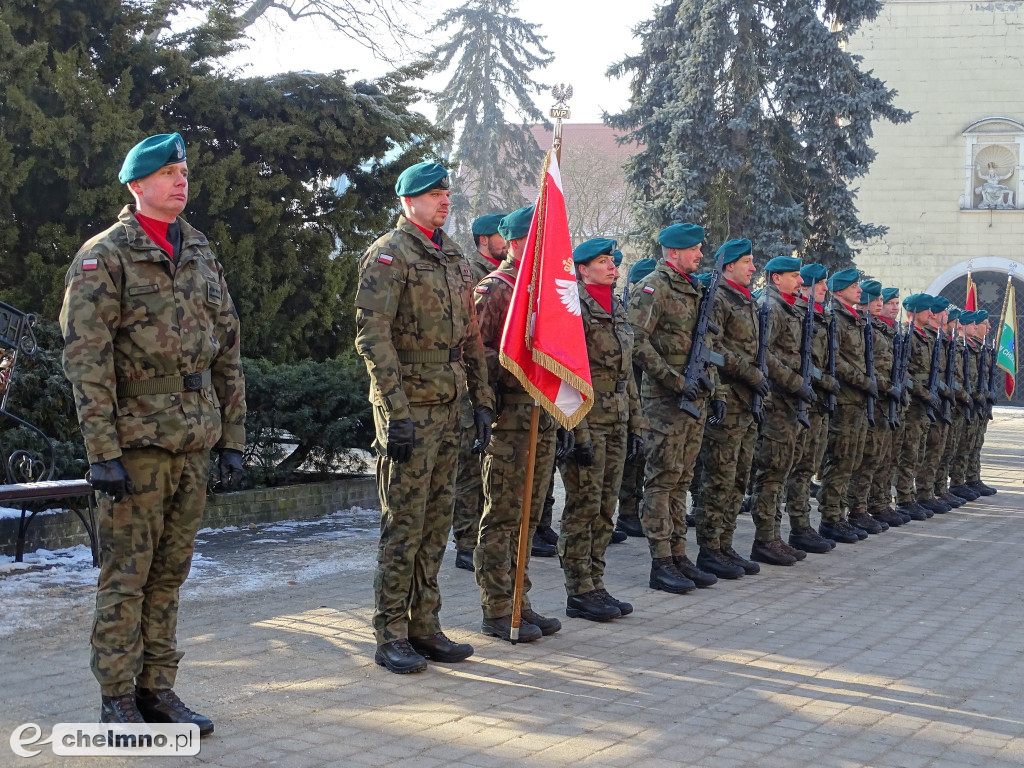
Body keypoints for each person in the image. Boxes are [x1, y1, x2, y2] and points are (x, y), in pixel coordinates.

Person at [59, 132, 247, 730]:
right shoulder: (105, 255)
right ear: (137, 185)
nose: (180, 180)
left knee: (169, 575)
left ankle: (157, 690)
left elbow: (228, 348)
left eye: (184, 170)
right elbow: (87, 360)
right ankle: (117, 697)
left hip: (192, 440)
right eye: (167, 172)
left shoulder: (199, 252)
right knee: (127, 576)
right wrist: (102, 452)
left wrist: (233, 435)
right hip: (136, 446)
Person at [354, 161, 495, 673]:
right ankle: (390, 631)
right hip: (409, 405)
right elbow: (374, 337)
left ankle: (425, 625)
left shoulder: (454, 256)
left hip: (451, 404)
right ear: (407, 201)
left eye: (446, 192)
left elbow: (471, 338)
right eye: (433, 193)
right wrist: (396, 413)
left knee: (436, 523)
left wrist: (482, 402)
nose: (444, 200)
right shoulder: (391, 255)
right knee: (404, 524)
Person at [474, 206, 566, 643]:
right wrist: (521, 363)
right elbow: (475, 354)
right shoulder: (496, 290)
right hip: (509, 418)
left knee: (529, 518)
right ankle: (496, 607)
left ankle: (520, 600)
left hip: (540, 417)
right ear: (514, 244)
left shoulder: (544, 292)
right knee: (503, 518)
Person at [558, 238, 645, 621]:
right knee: (584, 506)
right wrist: (577, 432)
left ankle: (596, 582)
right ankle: (578, 590)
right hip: (588, 418)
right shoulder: (572, 306)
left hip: (619, 415)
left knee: (606, 508)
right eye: (603, 261)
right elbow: (565, 374)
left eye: (612, 260)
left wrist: (638, 426)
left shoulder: (617, 307)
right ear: (582, 269)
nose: (612, 266)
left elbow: (627, 375)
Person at [628, 223, 718, 594]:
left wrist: (715, 391)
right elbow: (635, 339)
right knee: (662, 480)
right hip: (665, 400)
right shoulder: (654, 286)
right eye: (694, 249)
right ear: (674, 253)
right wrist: (673, 379)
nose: (700, 254)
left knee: (682, 479)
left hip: (694, 399)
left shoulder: (694, 289)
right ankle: (661, 561)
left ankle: (680, 555)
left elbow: (707, 343)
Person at [692, 238, 766, 579]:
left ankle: (725, 544)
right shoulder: (718, 297)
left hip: (747, 403)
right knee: (718, 479)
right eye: (747, 261)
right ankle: (709, 549)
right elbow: (713, 348)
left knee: (738, 479)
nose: (753, 268)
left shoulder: (745, 299)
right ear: (729, 265)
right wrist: (748, 372)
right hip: (727, 398)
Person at [747, 255, 813, 565]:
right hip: (776, 400)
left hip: (788, 401)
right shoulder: (771, 306)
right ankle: (765, 540)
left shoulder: (788, 306)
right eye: (795, 276)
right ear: (777, 278)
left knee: (781, 471)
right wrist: (795, 382)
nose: (801, 282)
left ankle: (773, 536)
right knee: (771, 473)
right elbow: (766, 356)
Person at [451, 213, 508, 571]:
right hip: (470, 387)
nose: (505, 241)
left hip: (496, 389)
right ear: (485, 240)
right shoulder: (474, 275)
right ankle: (466, 542)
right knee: (470, 469)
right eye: (500, 236)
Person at [818, 269, 878, 543]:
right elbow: (836, 361)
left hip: (857, 401)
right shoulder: (836, 319)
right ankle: (830, 518)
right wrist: (863, 381)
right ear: (840, 291)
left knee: (851, 461)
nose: (859, 291)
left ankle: (840, 515)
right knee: (839, 460)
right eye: (854, 286)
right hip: (844, 399)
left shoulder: (856, 320)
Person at [784, 264, 840, 553]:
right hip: (798, 398)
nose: (824, 290)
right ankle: (798, 527)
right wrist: (819, 379)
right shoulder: (793, 312)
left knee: (808, 466)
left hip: (817, 401)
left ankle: (804, 527)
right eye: (819, 285)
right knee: (797, 466)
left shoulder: (822, 315)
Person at [846, 281, 904, 530]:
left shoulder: (882, 328)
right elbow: (863, 365)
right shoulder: (861, 325)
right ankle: (857, 510)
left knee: (881, 458)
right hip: (868, 399)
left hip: (882, 400)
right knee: (863, 459)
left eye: (889, 301)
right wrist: (887, 387)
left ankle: (877, 504)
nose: (885, 305)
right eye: (879, 299)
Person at [615, 258, 658, 540]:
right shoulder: (629, 309)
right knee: (632, 457)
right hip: (633, 389)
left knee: (639, 455)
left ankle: (631, 510)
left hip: (640, 392)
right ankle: (627, 512)